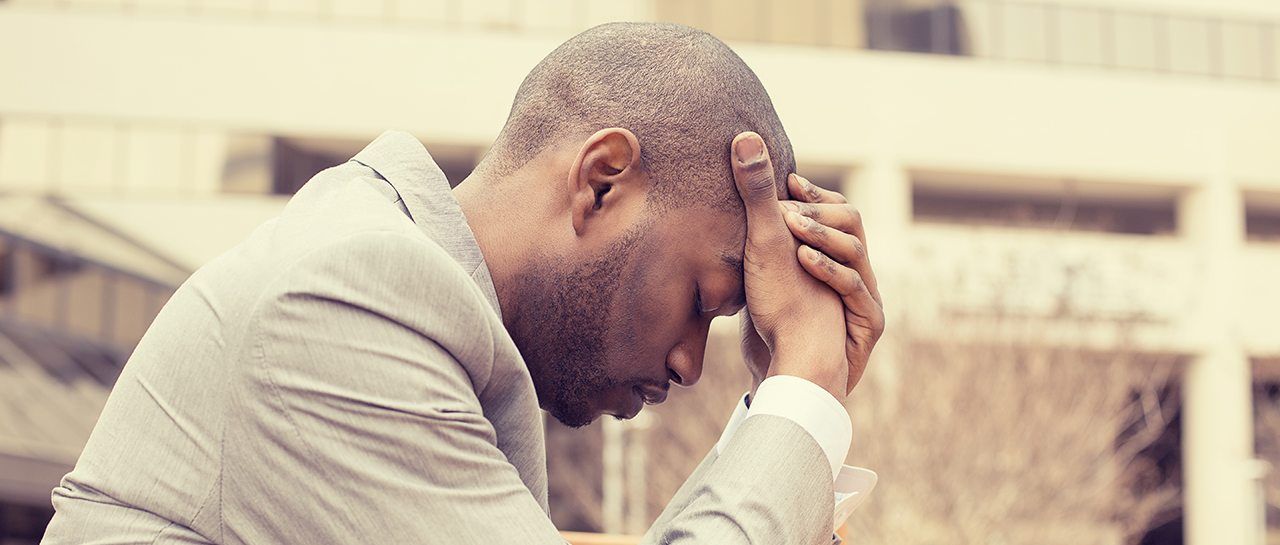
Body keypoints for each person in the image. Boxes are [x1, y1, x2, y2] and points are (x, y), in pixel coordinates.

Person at [40, 22, 885, 544]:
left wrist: (790, 407)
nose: (693, 362)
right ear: (601, 180)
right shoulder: (342, 302)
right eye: (704, 300)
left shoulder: (420, 319)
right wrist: (803, 389)